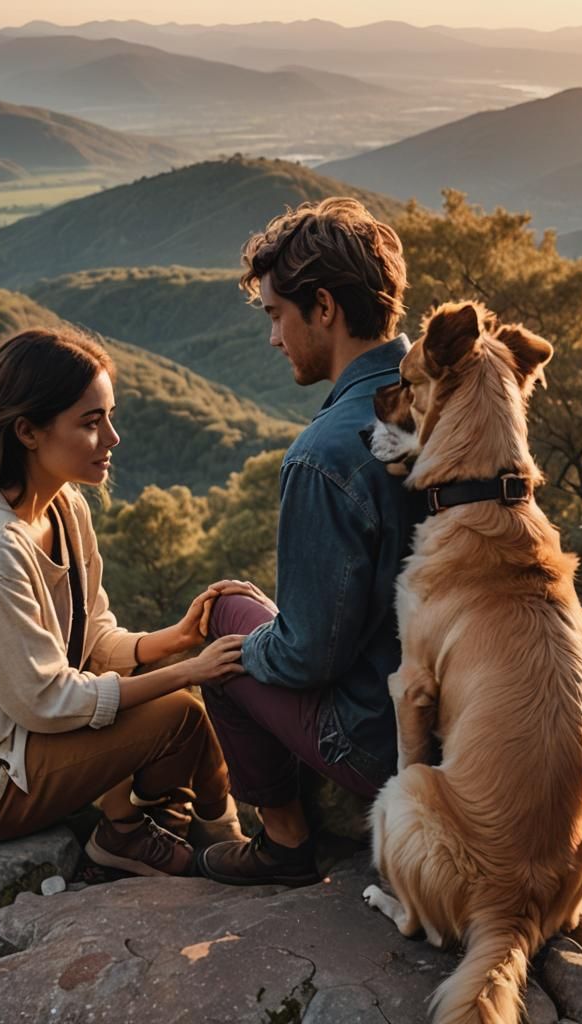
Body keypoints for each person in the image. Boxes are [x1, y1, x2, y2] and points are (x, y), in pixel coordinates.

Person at [0, 326, 248, 877]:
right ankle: (224, 846)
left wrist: (176, 640)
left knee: (173, 706)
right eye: (91, 423)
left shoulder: (64, 508)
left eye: (109, 417)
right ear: (28, 431)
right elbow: (47, 700)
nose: (112, 438)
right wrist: (191, 671)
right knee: (181, 715)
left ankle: (139, 832)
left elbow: (93, 642)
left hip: (28, 744)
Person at [196, 197, 430, 887]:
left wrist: (243, 643)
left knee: (225, 622)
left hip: (384, 746)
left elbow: (306, 656)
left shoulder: (325, 454)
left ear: (323, 308)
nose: (273, 337)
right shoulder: (454, 405)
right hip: (477, 737)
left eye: (276, 314)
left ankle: (285, 843)